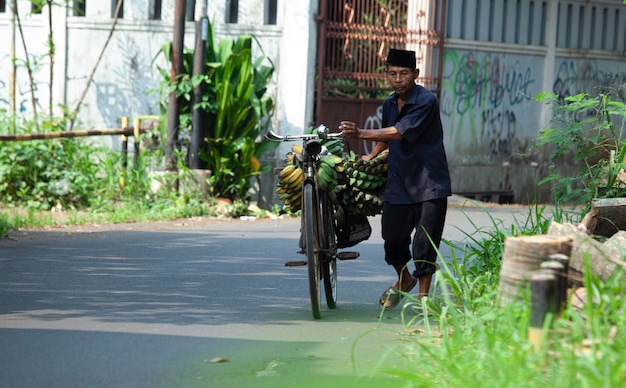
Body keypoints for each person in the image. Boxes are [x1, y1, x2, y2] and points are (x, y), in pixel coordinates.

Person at [339, 48, 452, 309]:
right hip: (400, 180)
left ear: (415, 74)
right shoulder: (390, 102)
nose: (398, 79)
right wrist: (372, 155)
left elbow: (400, 132)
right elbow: (386, 136)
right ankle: (405, 279)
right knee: (392, 238)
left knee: (424, 242)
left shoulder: (426, 101)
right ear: (386, 75)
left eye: (403, 74)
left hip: (429, 182)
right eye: (392, 74)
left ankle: (423, 298)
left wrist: (360, 134)